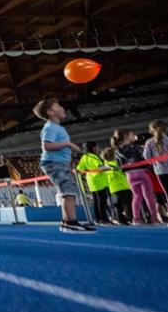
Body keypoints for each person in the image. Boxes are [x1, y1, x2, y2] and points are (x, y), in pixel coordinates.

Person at [33, 98, 96, 233]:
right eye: (58, 106)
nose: (62, 108)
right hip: (54, 163)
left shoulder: (57, 128)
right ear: (50, 112)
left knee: (66, 191)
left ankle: (66, 221)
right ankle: (71, 222)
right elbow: (47, 145)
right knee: (68, 191)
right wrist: (68, 144)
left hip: (59, 163)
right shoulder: (50, 127)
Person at [113, 129, 160, 225]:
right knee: (149, 197)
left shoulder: (117, 150)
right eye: (132, 135)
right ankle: (154, 219)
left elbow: (118, 164)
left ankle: (136, 219)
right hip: (141, 173)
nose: (134, 136)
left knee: (136, 196)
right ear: (126, 136)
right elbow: (145, 158)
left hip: (129, 175)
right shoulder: (136, 147)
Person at [76, 141, 111, 224]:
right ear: (93, 148)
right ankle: (104, 219)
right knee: (102, 201)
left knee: (96, 201)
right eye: (96, 147)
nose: (97, 149)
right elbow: (100, 167)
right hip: (100, 181)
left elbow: (79, 168)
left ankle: (98, 218)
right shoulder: (94, 157)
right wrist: (109, 167)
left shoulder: (84, 157)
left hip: (91, 182)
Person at [144, 120, 168, 221]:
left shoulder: (149, 142)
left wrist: (155, 162)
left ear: (152, 130)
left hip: (161, 171)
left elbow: (147, 157)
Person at [101, 147, 131, 225]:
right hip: (122, 185)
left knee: (120, 204)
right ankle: (127, 218)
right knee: (125, 203)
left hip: (115, 187)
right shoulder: (113, 164)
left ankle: (122, 218)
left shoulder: (106, 164)